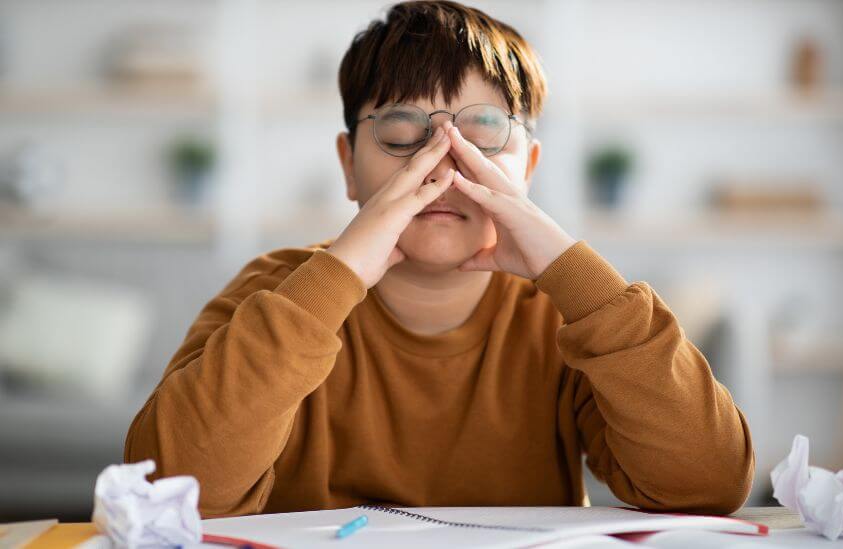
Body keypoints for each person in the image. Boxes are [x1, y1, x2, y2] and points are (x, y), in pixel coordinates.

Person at [125, 0, 755, 519]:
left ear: (528, 168)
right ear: (348, 165)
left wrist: (573, 272)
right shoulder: (278, 292)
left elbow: (708, 484)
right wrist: (335, 280)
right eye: (402, 137)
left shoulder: (565, 316)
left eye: (482, 137)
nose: (442, 165)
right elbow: (167, 494)